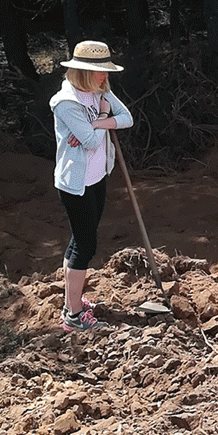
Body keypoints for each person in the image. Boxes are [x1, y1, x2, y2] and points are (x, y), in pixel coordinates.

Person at [49, 41, 133, 331]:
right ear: (83, 71)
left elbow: (126, 118)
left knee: (80, 241)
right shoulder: (66, 103)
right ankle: (73, 316)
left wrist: (98, 122)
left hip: (98, 177)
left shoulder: (101, 92)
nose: (104, 76)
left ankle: (72, 302)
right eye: (99, 72)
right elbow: (91, 141)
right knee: (85, 245)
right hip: (76, 184)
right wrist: (101, 118)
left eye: (105, 71)